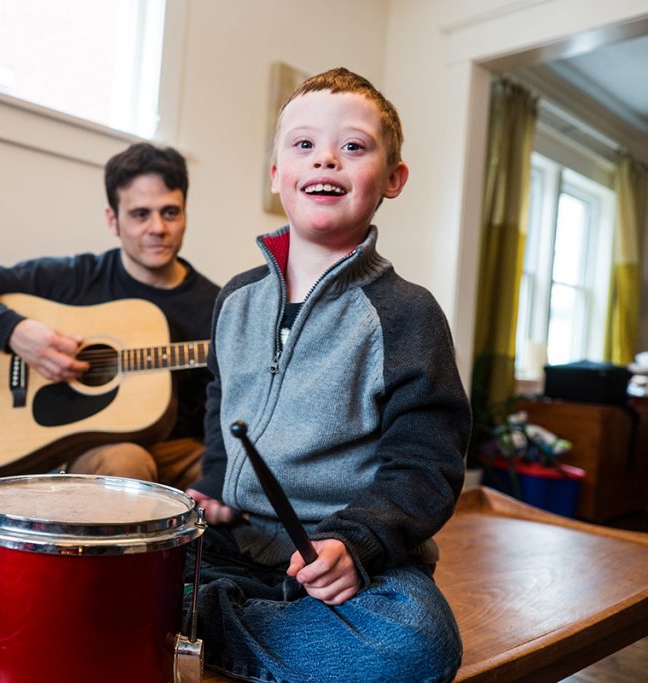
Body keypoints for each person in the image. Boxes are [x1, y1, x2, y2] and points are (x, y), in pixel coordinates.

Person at [185, 68, 470, 682]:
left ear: (393, 179)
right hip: (235, 548)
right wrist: (215, 484)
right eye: (305, 144)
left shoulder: (407, 313)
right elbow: (220, 400)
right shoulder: (236, 298)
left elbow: (427, 465)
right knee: (118, 565)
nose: (328, 160)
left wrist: (357, 542)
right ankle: (223, 619)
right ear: (277, 174)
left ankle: (197, 632)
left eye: (354, 146)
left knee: (417, 645)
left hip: (351, 563)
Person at [0, 142, 219, 489]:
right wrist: (17, 333)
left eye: (170, 212)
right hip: (91, 449)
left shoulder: (218, 305)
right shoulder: (76, 277)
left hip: (175, 446)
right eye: (140, 214)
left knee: (245, 479)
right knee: (126, 462)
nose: (158, 227)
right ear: (113, 220)